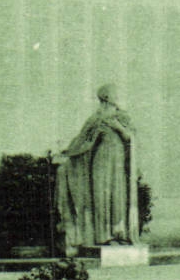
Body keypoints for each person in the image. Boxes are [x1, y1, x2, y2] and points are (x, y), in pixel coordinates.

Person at [55, 84, 135, 251]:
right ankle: (103, 236)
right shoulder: (96, 118)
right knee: (101, 196)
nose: (117, 96)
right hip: (101, 160)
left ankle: (119, 233)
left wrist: (117, 127)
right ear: (106, 97)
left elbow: (130, 138)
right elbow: (82, 140)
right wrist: (67, 153)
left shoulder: (122, 116)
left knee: (118, 196)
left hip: (118, 162)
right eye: (114, 94)